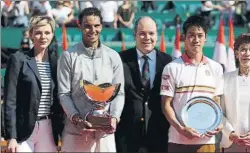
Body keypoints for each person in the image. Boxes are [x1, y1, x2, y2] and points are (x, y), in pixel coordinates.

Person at [57, 7, 125, 152]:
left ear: (101, 26)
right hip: (75, 134)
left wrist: (114, 117)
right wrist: (76, 119)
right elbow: (64, 94)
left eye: (96, 26)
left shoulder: (113, 56)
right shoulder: (68, 56)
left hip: (105, 136)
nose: (92, 30)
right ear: (79, 26)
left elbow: (119, 93)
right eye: (87, 26)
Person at [160, 15, 224, 152]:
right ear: (184, 37)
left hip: (207, 142)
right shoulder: (171, 68)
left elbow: (216, 101)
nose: (196, 40)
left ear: (205, 38)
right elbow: (166, 105)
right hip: (178, 141)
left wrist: (219, 124)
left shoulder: (216, 68)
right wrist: (181, 129)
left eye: (200, 35)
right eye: (191, 35)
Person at [3, 15, 64, 152]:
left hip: (49, 129)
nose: (43, 36)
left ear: (52, 34)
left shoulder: (57, 63)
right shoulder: (18, 60)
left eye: (47, 32)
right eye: (38, 32)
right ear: (31, 34)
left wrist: (63, 133)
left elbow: (61, 100)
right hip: (22, 131)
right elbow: (9, 101)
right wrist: (11, 136)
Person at [115, 16, 173, 152]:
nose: (147, 37)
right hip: (127, 137)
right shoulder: (119, 60)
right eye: (142, 33)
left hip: (159, 136)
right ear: (134, 35)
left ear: (157, 35)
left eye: (151, 33)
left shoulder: (168, 62)